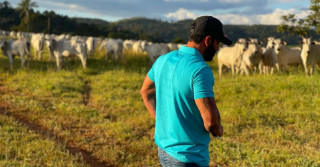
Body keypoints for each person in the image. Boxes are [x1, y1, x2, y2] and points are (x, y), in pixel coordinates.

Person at [140, 16, 232, 167]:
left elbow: (146, 91)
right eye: (218, 43)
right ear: (208, 40)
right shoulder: (200, 70)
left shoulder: (163, 59)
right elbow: (210, 121)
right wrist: (218, 130)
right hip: (189, 157)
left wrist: (162, 120)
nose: (218, 48)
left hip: (164, 150)